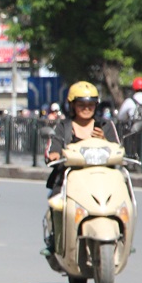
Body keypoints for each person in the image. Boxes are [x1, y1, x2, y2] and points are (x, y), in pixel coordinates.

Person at [43, 82, 121, 249]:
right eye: (81, 105)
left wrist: (104, 140)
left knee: (122, 199)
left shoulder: (105, 126)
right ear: (72, 105)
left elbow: (118, 149)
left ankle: (120, 238)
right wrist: (54, 155)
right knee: (56, 202)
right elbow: (52, 149)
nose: (86, 108)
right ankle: (56, 241)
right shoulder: (63, 127)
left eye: (90, 104)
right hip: (71, 178)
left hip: (103, 179)